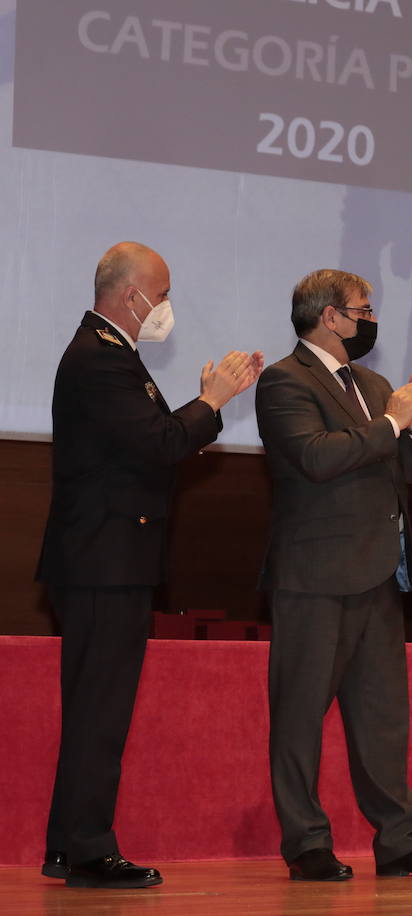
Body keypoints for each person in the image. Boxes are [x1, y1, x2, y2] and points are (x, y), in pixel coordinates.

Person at [37, 241, 262, 888]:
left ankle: (66, 844)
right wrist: (212, 400)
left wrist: (204, 404)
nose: (165, 307)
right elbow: (161, 444)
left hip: (105, 558)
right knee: (100, 710)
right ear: (129, 293)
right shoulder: (100, 360)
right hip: (104, 560)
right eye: (160, 295)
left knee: (91, 708)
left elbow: (152, 442)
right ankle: (88, 850)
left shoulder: (110, 356)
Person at [256, 269, 412, 882]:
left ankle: (400, 840)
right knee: (299, 715)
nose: (370, 319)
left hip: (380, 570)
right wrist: (392, 424)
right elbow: (317, 457)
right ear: (329, 316)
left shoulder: (373, 383)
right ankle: (306, 842)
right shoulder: (283, 381)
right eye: (362, 309)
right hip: (315, 574)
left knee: (383, 718)